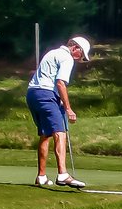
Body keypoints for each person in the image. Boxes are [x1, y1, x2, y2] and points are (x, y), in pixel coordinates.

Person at [29, 36, 91, 189]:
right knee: (60, 132)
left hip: (32, 94)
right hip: (46, 95)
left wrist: (59, 99)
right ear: (75, 48)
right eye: (81, 55)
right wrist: (69, 109)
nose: (80, 58)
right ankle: (63, 174)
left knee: (45, 134)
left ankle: (41, 176)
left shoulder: (53, 52)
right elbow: (60, 82)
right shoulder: (67, 58)